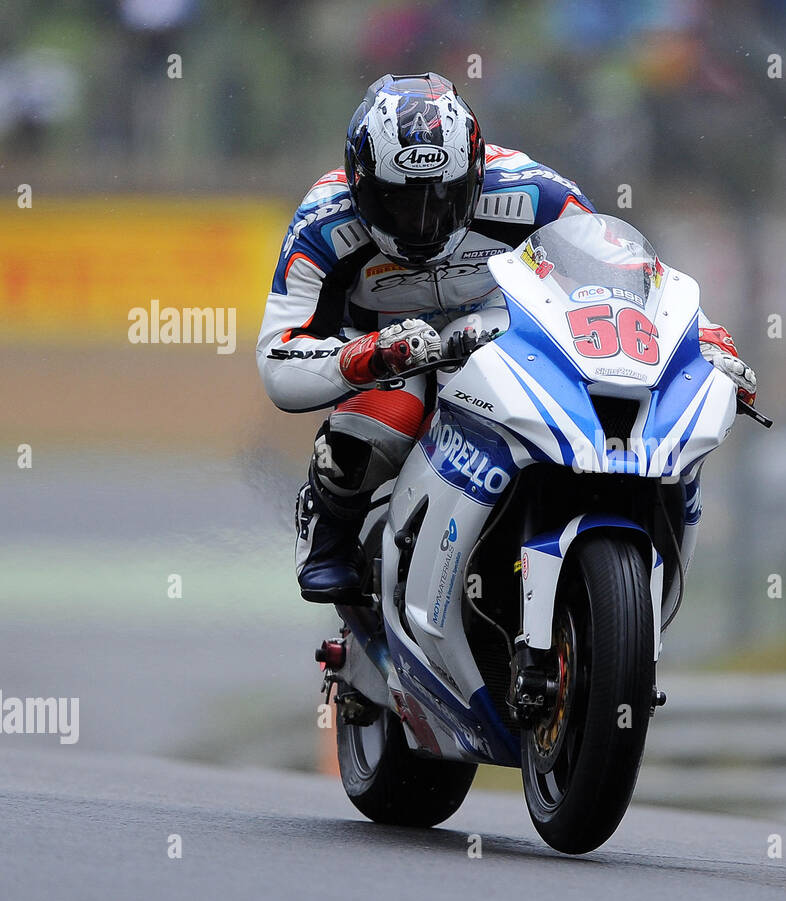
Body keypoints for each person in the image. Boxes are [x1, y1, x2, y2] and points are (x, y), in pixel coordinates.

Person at [256, 72, 756, 603]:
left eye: (444, 199)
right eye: (398, 203)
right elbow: (279, 360)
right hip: (384, 350)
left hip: (503, 338)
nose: (423, 223)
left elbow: (634, 279)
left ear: (475, 174)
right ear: (360, 184)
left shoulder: (535, 193)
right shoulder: (322, 223)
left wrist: (703, 338)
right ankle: (329, 522)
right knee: (392, 414)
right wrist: (365, 357)